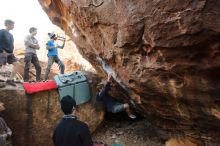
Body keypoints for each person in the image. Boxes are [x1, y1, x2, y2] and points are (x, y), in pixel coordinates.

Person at [0, 19, 18, 86]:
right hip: (2, 52)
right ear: (7, 24)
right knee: (0, 65)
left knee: (17, 64)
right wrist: (2, 51)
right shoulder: (2, 32)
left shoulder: (11, 35)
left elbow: (11, 45)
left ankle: (10, 80)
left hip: (10, 53)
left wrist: (11, 52)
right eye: (12, 25)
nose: (13, 26)